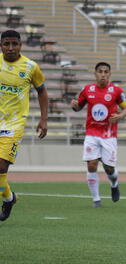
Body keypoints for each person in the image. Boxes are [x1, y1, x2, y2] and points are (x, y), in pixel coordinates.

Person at [0, 30, 49, 221]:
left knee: (1, 165)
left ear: (20, 45)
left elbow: (42, 92)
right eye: (6, 44)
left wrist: (44, 119)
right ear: (1, 45)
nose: (10, 48)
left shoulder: (30, 67)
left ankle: (8, 198)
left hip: (14, 124)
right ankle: (10, 198)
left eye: (14, 44)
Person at [70, 62, 126, 208]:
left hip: (109, 135)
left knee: (109, 168)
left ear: (109, 74)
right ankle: (96, 200)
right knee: (91, 165)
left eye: (106, 72)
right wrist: (75, 106)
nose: (103, 74)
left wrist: (120, 116)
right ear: (95, 74)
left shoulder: (116, 91)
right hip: (92, 133)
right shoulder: (87, 89)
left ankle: (114, 183)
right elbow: (79, 106)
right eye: (100, 72)